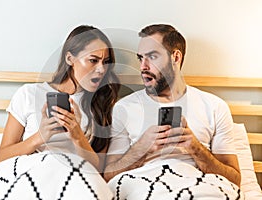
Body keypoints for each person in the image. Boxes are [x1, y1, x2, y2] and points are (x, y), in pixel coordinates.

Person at [104, 24, 243, 199]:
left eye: (152, 57)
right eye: (140, 58)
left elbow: (234, 180)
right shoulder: (125, 108)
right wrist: (141, 148)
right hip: (144, 187)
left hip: (199, 188)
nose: (143, 66)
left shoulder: (214, 106)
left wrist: (195, 148)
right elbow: (109, 176)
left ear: (175, 57)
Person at [0, 25, 119, 199]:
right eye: (93, 60)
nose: (101, 69)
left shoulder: (103, 104)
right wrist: (40, 137)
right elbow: (3, 157)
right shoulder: (29, 94)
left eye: (105, 62)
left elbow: (98, 170)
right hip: (33, 171)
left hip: (74, 176)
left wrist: (77, 136)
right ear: (70, 58)